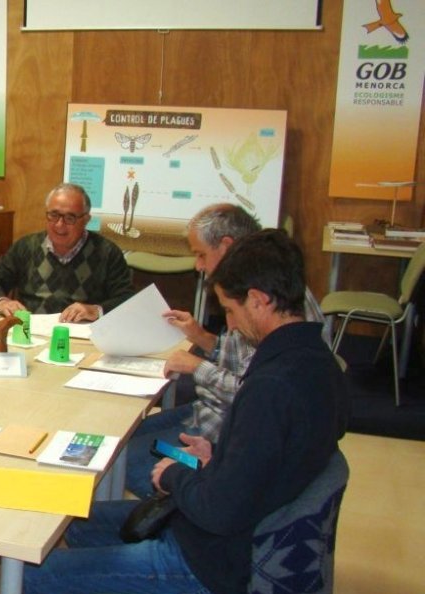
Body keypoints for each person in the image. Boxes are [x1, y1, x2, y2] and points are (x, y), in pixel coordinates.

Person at [22, 229, 349, 594]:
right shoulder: (315, 364)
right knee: (76, 522)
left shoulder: (271, 386)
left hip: (213, 558)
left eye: (231, 311)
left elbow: (218, 510)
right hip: (237, 523)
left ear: (259, 300)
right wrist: (218, 453)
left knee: (38, 576)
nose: (230, 326)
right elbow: (278, 454)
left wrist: (177, 474)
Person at [123, 204, 327, 497]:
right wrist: (202, 338)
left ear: (227, 247)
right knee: (122, 437)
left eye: (201, 254)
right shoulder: (251, 287)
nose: (198, 265)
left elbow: (254, 393)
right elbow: (241, 361)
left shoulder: (276, 305)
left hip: (222, 428)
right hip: (206, 410)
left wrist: (197, 367)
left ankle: (162, 515)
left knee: (122, 460)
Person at [0, 182, 134, 322]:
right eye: (53, 215)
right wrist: (2, 302)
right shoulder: (27, 246)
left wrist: (95, 310)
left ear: (86, 219)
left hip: (81, 335)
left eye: (70, 218)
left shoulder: (107, 252)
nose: (59, 225)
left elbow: (127, 299)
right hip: (29, 331)